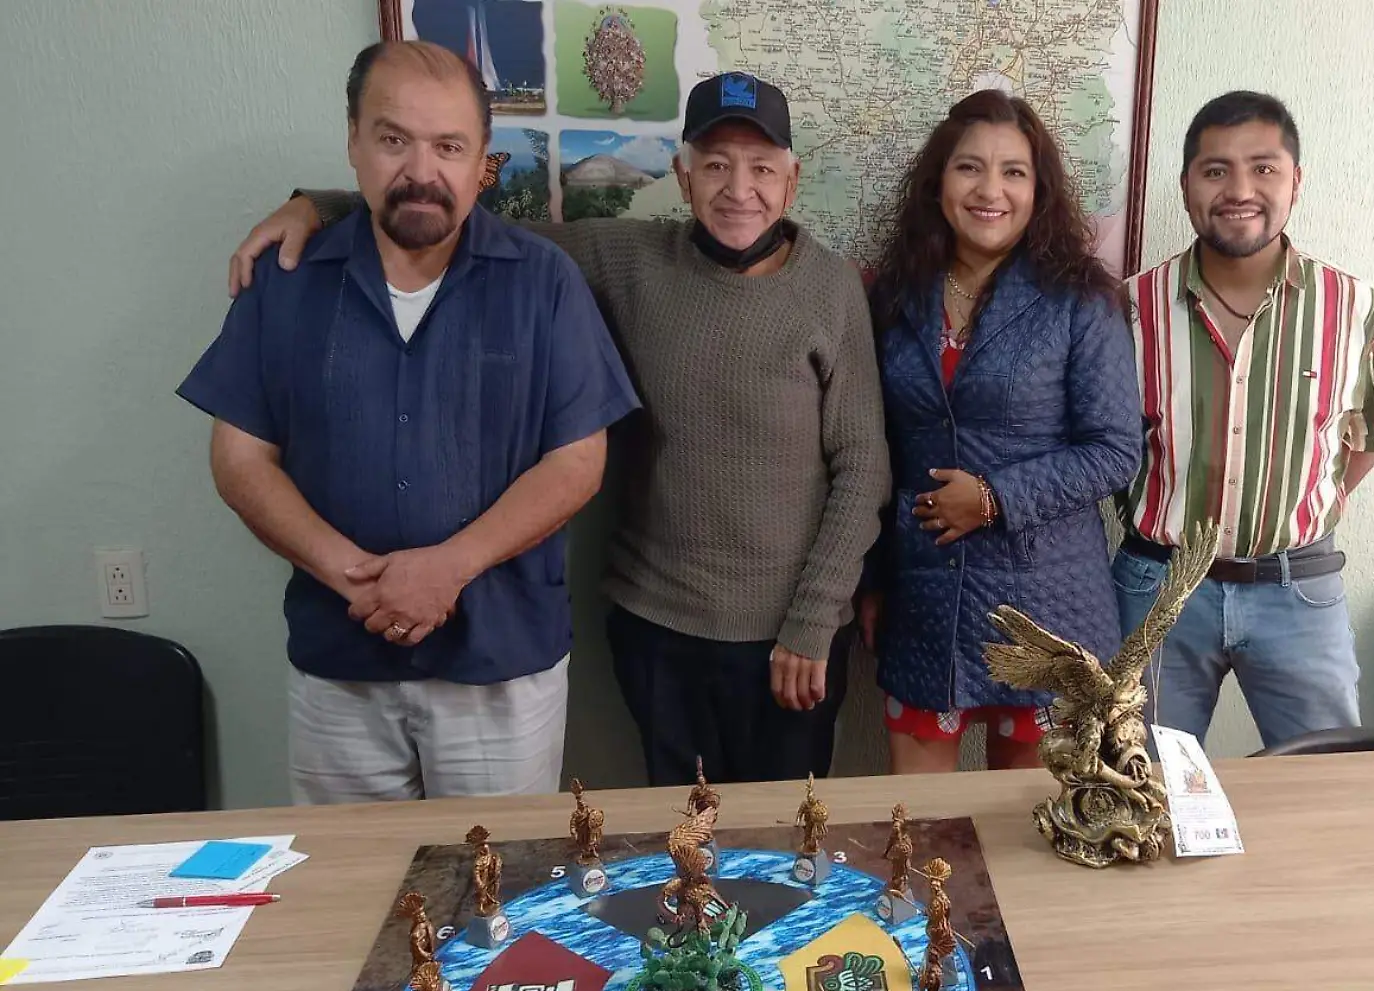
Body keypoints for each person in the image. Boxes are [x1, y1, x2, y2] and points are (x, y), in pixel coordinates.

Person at [225, 73, 889, 787]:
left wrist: (814, 620)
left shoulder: (832, 287)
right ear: (683, 176)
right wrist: (319, 206)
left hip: (791, 635)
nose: (739, 189)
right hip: (657, 623)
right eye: (716, 165)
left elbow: (862, 467)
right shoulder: (628, 258)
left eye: (762, 169)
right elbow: (459, 224)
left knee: (790, 840)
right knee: (683, 839)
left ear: (791, 181)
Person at [179, 41, 637, 803]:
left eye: (449, 146)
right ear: (354, 141)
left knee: (497, 901)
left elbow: (577, 461)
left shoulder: (543, 282)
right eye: (394, 140)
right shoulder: (286, 281)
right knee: (350, 895)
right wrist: (353, 577)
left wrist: (446, 568)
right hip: (339, 661)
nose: (422, 171)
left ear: (483, 159)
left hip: (500, 662)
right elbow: (239, 459)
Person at [860, 91, 1142, 773]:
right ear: (938, 183)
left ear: (1038, 189)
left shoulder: (1081, 300)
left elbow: (1115, 451)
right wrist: (869, 579)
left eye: (1014, 172)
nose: (991, 190)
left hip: (1049, 607)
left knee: (1033, 840)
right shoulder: (892, 295)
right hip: (925, 600)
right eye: (969, 169)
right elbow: (871, 448)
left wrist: (993, 497)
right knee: (922, 835)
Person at [1116, 91, 1374, 748]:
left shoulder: (1357, 309)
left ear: (1295, 181)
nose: (1239, 189)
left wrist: (1296, 510)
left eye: (1263, 168)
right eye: (1215, 170)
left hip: (1298, 591)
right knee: (1139, 795)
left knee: (1327, 792)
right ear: (1186, 183)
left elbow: (1370, 441)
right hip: (1157, 590)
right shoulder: (1129, 309)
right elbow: (1109, 450)